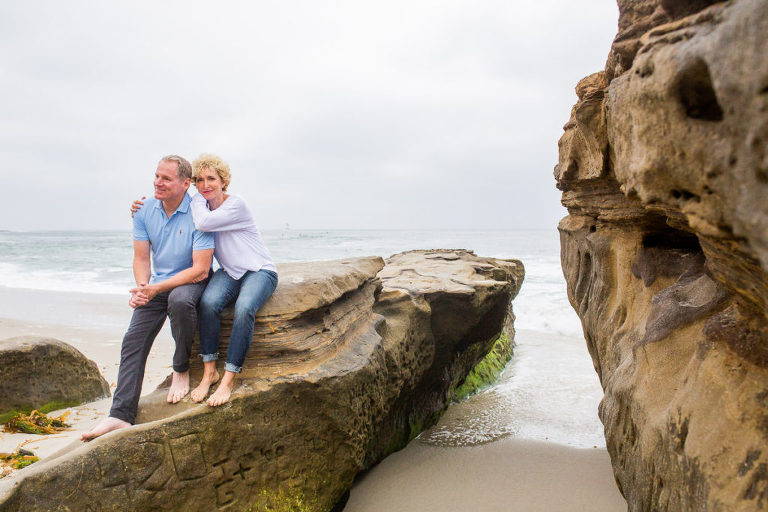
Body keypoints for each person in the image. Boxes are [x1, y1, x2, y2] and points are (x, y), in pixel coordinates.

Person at [81, 155, 214, 441]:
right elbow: (141, 258)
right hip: (157, 284)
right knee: (133, 340)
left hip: (193, 280)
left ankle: (180, 368)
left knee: (179, 301)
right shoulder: (144, 210)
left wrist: (156, 288)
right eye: (156, 176)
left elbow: (200, 268)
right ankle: (120, 415)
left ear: (185, 183)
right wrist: (143, 287)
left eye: (166, 178)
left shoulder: (200, 212)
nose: (158, 182)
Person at [132, 153, 278, 407]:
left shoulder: (235, 205)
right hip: (230, 272)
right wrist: (139, 207)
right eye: (200, 180)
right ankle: (210, 371)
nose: (206, 185)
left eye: (212, 179)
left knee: (244, 309)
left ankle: (228, 379)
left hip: (259, 270)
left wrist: (196, 198)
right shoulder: (202, 203)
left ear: (224, 182)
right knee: (208, 304)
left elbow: (202, 222)